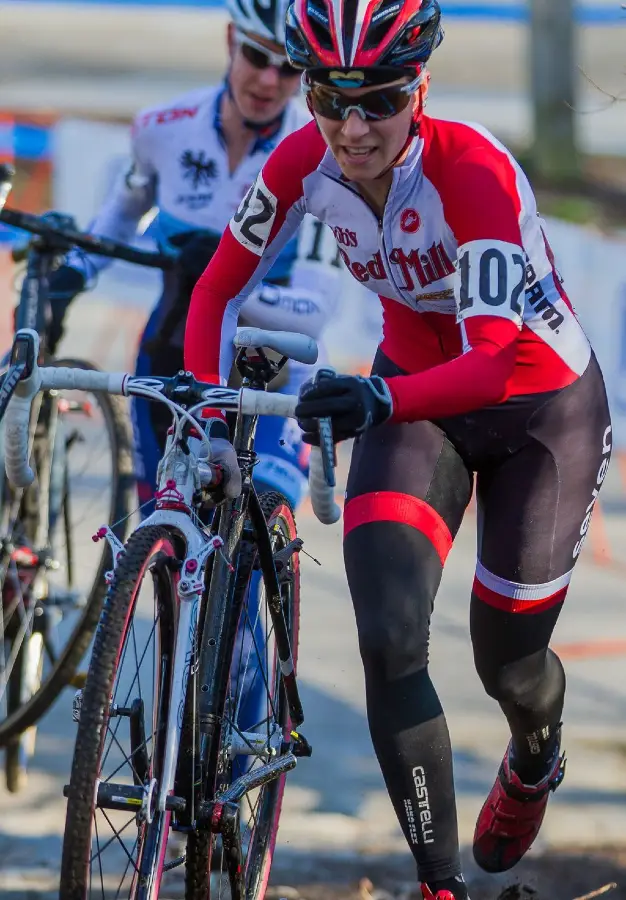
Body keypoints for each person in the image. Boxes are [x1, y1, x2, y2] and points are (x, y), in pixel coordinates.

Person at [183, 0, 612, 897]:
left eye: (376, 99)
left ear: (419, 89)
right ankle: (437, 884)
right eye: (329, 96)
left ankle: (535, 759)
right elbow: (217, 288)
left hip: (539, 413)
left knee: (511, 663)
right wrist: (204, 410)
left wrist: (377, 394)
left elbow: (492, 364)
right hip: (412, 401)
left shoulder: (475, 173)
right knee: (387, 638)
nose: (351, 125)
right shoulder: (303, 159)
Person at [45, 0, 341, 513]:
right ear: (231, 40)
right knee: (156, 525)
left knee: (251, 525)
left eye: (290, 67)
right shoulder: (162, 128)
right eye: (256, 55)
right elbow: (118, 216)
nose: (270, 81)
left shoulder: (324, 155)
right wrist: (72, 274)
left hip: (274, 370)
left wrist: (228, 285)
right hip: (172, 351)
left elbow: (314, 314)